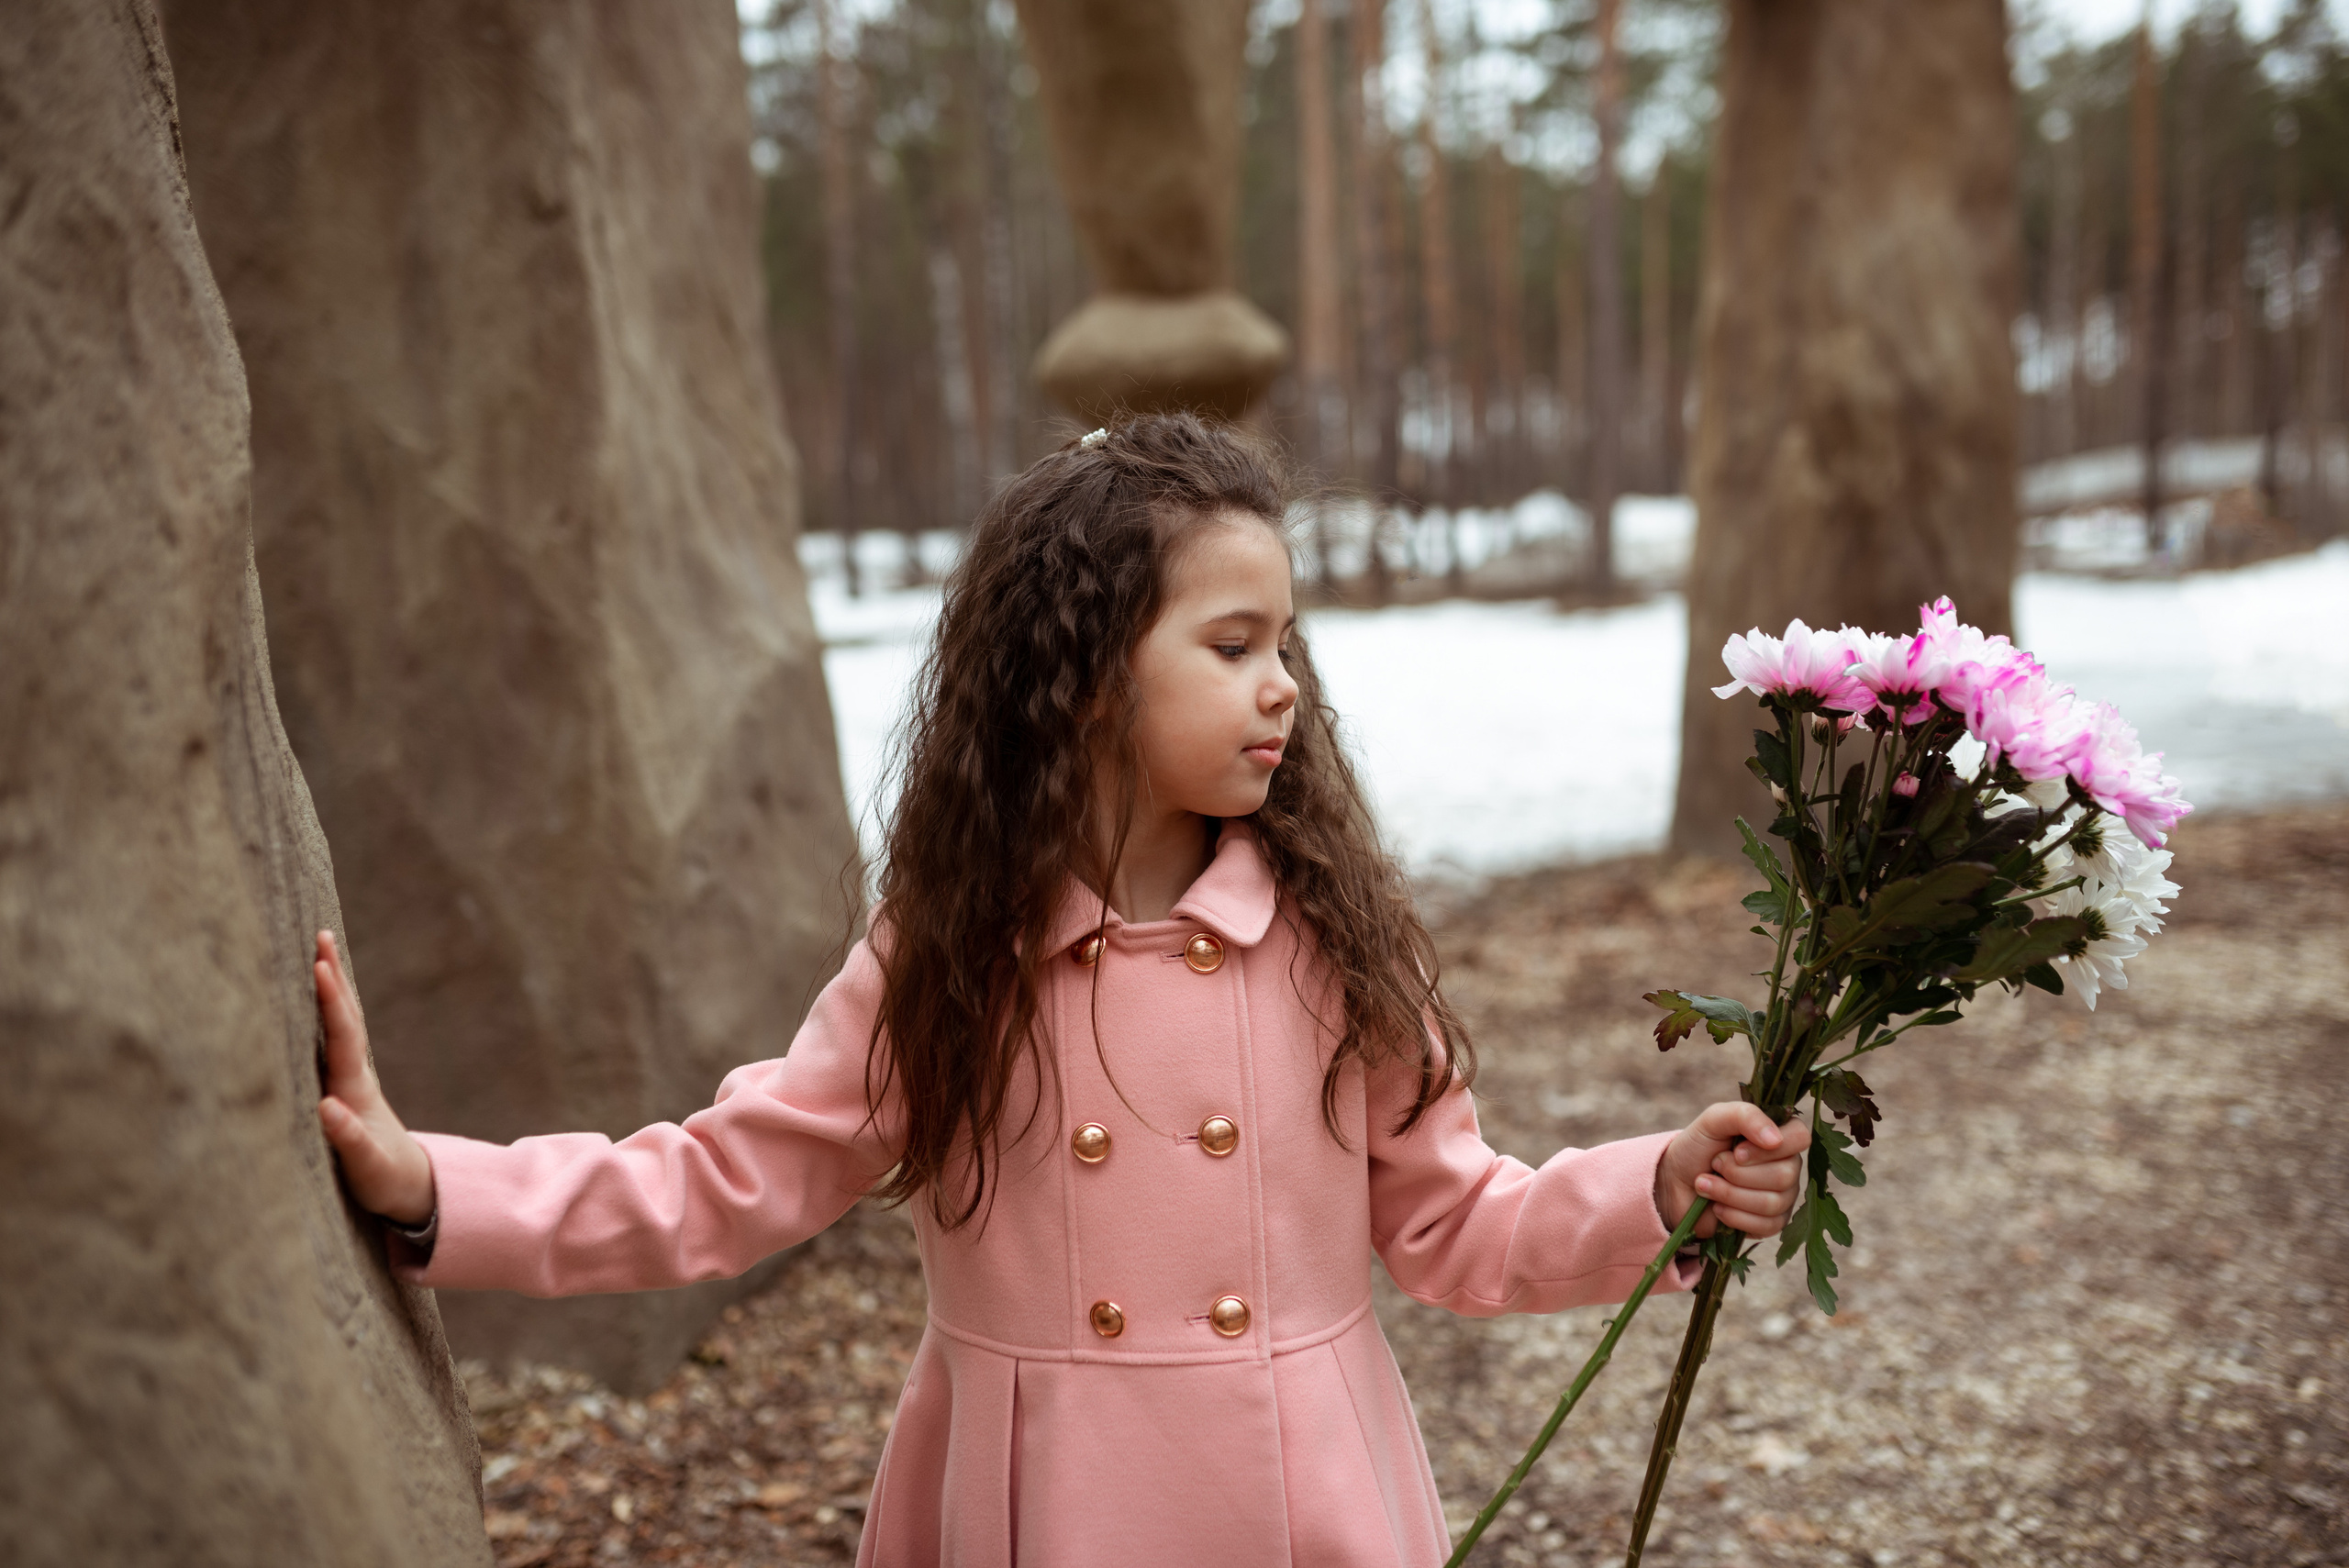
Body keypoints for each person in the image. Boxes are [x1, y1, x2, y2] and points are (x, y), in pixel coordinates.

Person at [314, 412, 1809, 1567]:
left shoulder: (1337, 942)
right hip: (1045, 1501)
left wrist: (1662, 1187)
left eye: (1286, 640)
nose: (1284, 681)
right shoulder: (950, 955)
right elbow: (727, 1178)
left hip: (1304, 1506)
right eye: (1232, 644)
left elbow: (1453, 1220)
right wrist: (435, 1188)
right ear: (1087, 672)